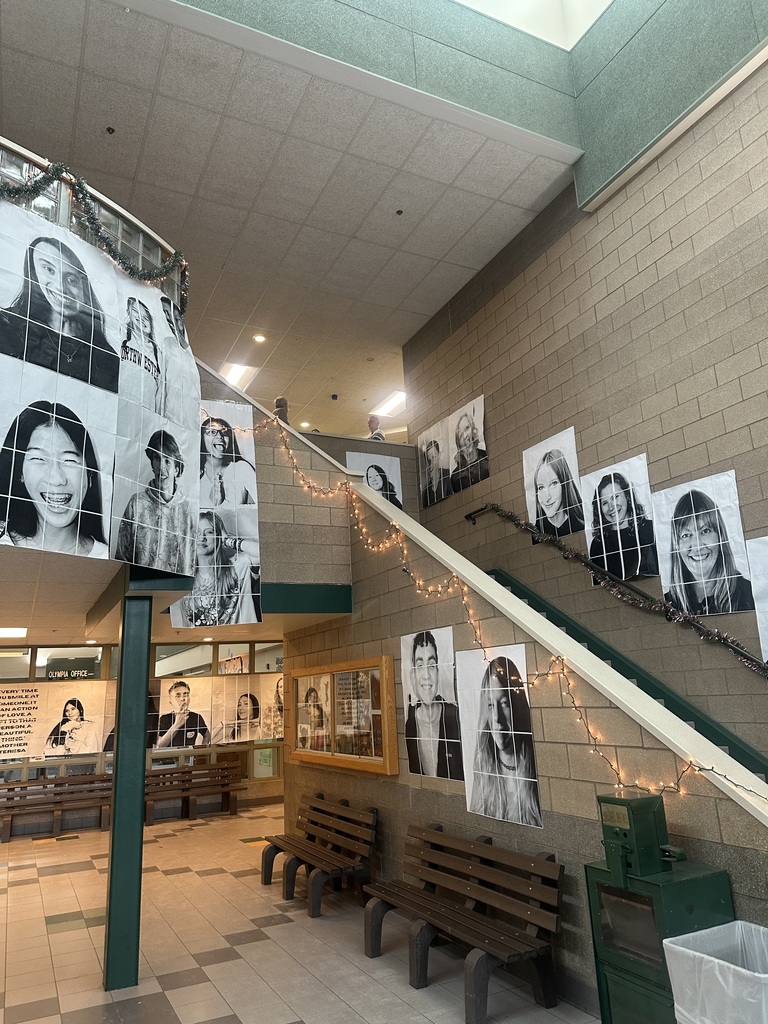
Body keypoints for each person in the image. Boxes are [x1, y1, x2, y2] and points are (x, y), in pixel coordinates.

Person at [0, 236, 119, 393]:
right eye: (49, 270)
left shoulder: (106, 357)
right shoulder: (7, 325)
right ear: (33, 272)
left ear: (85, 288)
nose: (61, 287)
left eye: (71, 279)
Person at [0, 401, 108, 558]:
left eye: (69, 460)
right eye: (39, 459)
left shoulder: (105, 558)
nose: (57, 479)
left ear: (89, 476)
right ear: (20, 473)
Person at [469, 657, 542, 826]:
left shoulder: (535, 767)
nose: (496, 718)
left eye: (504, 703)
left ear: (517, 706)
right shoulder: (484, 768)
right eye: (490, 705)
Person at [115, 429, 196, 573]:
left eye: (167, 460)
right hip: (141, 589)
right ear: (152, 464)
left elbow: (195, 561)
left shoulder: (188, 511)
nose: (162, 467)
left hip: (177, 591)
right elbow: (122, 556)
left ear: (177, 469)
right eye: (157, 458)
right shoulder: (137, 504)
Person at [664, 489, 754, 615]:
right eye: (686, 535)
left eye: (705, 531)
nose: (697, 546)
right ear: (677, 545)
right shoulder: (667, 604)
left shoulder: (749, 594)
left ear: (720, 536)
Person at [172, 511, 261, 627]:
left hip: (239, 638)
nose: (202, 537)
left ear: (219, 537)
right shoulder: (181, 578)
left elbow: (265, 553)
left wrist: (228, 540)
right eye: (196, 532)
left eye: (209, 532)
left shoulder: (237, 567)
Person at [404, 630, 463, 780]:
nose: (426, 675)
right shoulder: (409, 725)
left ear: (437, 672)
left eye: (431, 665)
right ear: (412, 675)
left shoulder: (455, 717)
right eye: (419, 665)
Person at [589, 472, 658, 580]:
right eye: (604, 503)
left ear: (627, 496)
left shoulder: (650, 529)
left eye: (615, 497)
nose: (611, 507)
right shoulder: (598, 544)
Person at [199, 416, 256, 508]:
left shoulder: (242, 468)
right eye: (212, 432)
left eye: (224, 432)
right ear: (201, 438)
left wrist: (222, 503)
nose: (219, 436)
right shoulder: (194, 473)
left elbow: (261, 506)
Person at [159, 296, 198, 425]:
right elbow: (161, 385)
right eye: (162, 312)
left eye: (167, 312)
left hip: (190, 423)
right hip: (169, 419)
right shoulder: (166, 343)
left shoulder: (189, 356)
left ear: (180, 322)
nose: (166, 317)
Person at [119, 297, 162, 412]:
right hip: (121, 407)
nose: (141, 319)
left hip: (146, 416)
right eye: (136, 311)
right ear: (129, 313)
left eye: (146, 318)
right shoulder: (121, 336)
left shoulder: (159, 355)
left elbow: (159, 394)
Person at [533, 448, 584, 537]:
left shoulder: (581, 525)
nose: (547, 497)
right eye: (541, 487)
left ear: (564, 484)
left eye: (553, 483)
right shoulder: (536, 534)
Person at [156, 680, 210, 748]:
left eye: (186, 694)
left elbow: (207, 735)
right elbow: (160, 745)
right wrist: (177, 725)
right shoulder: (164, 719)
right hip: (170, 757)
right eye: (178, 696)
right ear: (170, 701)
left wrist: (200, 752)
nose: (182, 699)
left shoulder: (196, 717)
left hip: (188, 756)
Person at [450, 411, 489, 492]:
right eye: (460, 435)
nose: (465, 436)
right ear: (458, 443)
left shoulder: (487, 459)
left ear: (473, 430)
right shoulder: (456, 477)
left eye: (467, 428)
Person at [421, 439, 453, 507]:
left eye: (434, 457)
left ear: (439, 455)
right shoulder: (427, 493)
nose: (431, 464)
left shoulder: (448, 475)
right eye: (428, 461)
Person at [304, 685, 329, 751]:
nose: (312, 699)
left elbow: (322, 722)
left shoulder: (320, 710)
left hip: (318, 737)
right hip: (305, 737)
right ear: (308, 698)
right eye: (311, 697)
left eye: (315, 697)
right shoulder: (303, 710)